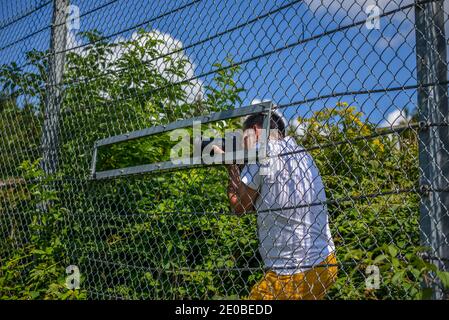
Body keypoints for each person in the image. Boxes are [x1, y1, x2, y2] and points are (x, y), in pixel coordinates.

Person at [214, 111, 337, 300]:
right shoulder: (302, 154)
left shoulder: (261, 153)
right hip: (326, 261)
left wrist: (230, 165)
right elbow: (264, 199)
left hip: (292, 271)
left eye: (243, 137)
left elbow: (240, 206)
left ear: (255, 131)